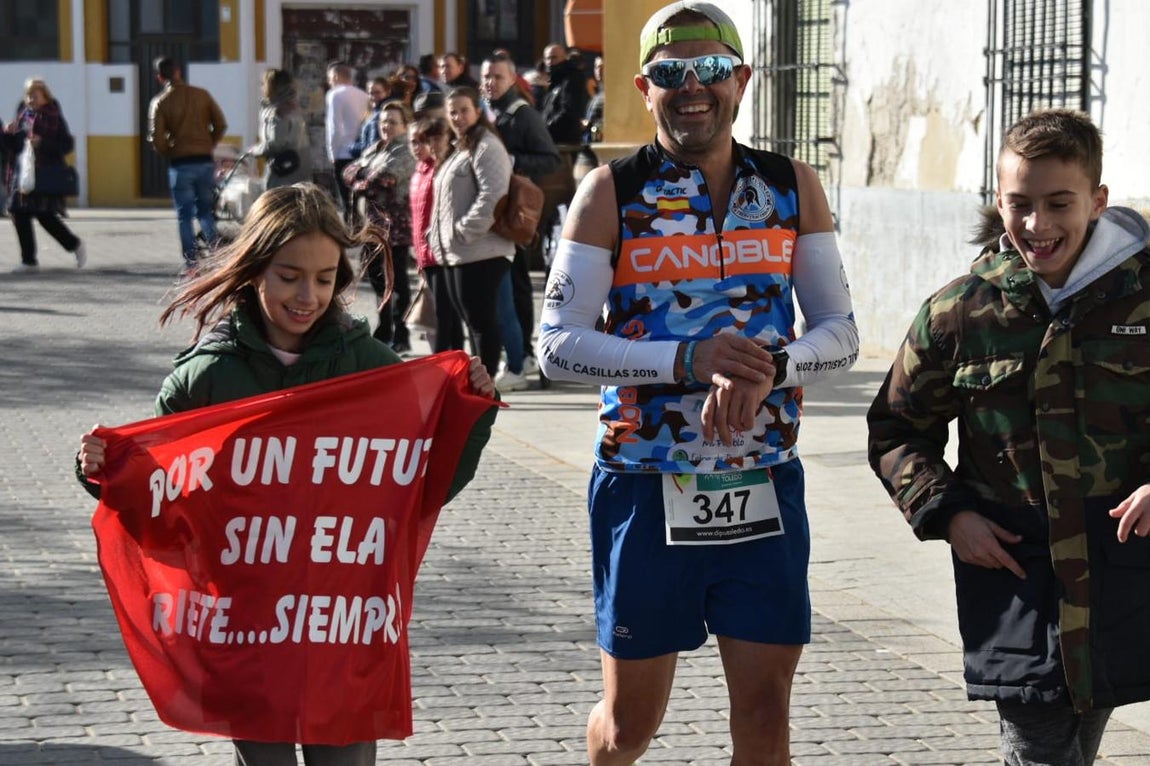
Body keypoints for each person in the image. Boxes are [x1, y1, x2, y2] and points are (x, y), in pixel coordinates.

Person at [76, 181, 497, 766]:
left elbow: (417, 489)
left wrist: (470, 417)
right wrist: (106, 473)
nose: (308, 295)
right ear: (255, 271)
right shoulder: (203, 381)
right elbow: (164, 510)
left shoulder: (371, 369)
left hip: (341, 629)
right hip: (249, 631)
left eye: (325, 278)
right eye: (289, 275)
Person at [536, 3, 859, 763]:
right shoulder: (609, 193)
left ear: (740, 81)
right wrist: (688, 361)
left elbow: (840, 334)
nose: (693, 88)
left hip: (762, 482)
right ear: (645, 87)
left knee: (765, 713)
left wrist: (770, 368)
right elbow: (555, 348)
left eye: (710, 69)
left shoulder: (791, 185)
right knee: (628, 729)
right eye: (673, 73)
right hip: (644, 485)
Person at [867, 108, 1150, 765]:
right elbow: (896, 428)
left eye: (1059, 203)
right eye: (1020, 204)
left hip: (1120, 570)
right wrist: (949, 513)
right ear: (999, 201)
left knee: (1072, 743)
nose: (1037, 225)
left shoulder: (1140, 300)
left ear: (1097, 200)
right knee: (1042, 749)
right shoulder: (961, 311)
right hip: (1013, 572)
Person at [481, 53, 561, 391]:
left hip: (515, 214)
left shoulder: (523, 115)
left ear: (512, 79)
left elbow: (550, 159)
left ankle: (524, 353)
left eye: (497, 77)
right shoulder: (484, 112)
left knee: (516, 285)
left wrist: (511, 159)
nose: (490, 82)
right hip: (493, 215)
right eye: (486, 76)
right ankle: (515, 351)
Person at [428, 87, 513, 378]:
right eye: (452, 111)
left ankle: (484, 385)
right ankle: (473, 382)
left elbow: (494, 195)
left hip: (480, 250)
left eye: (464, 110)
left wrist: (465, 231)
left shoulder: (487, 145)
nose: (458, 116)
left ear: (478, 111)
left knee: (481, 324)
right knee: (467, 322)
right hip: (456, 252)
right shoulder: (459, 147)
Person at [344, 102, 416, 352]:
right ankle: (384, 329)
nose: (387, 126)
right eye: (383, 121)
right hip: (371, 227)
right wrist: (363, 174)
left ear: (404, 126)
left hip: (394, 230)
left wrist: (363, 176)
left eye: (393, 122)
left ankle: (401, 333)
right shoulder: (376, 147)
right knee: (376, 280)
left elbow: (383, 180)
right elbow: (349, 172)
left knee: (396, 283)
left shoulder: (405, 151)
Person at [148, 57, 227, 274]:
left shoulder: (160, 102)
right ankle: (218, 256)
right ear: (178, 72)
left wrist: (170, 151)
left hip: (180, 164)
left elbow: (157, 138)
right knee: (205, 212)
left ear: (159, 77)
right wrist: (208, 143)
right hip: (203, 161)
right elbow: (220, 124)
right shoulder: (201, 95)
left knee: (184, 215)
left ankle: (192, 263)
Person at [2, 77, 85, 272]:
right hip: (23, 174)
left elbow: (66, 145)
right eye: (28, 95)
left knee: (44, 215)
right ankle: (29, 261)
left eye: (35, 95)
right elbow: (12, 148)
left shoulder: (54, 116)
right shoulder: (23, 115)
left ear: (45, 97)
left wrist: (43, 143)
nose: (31, 99)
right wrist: (7, 133)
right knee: (17, 211)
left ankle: (74, 244)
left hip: (44, 173)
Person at [408, 116, 463, 354]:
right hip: (425, 252)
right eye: (415, 142)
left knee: (446, 313)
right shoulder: (419, 172)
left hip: (441, 251)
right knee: (441, 312)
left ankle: (446, 360)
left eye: (425, 141)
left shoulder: (439, 168)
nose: (419, 147)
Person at [249, 69, 311, 191]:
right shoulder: (293, 107)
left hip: (283, 169)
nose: (261, 88)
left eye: (263, 84)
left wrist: (254, 150)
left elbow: (276, 143)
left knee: (275, 204)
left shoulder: (278, 111)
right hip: (300, 166)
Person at [324, 62, 370, 220]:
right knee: (358, 197)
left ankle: (350, 232)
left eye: (330, 79)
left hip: (342, 153)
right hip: (361, 152)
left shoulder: (335, 94)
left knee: (345, 200)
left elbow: (334, 126)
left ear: (336, 76)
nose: (329, 83)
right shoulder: (364, 95)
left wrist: (332, 153)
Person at [539, 43, 590, 147]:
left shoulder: (572, 78)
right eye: (547, 58)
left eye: (554, 57)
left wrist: (544, 129)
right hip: (552, 141)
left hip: (565, 144)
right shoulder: (555, 82)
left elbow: (568, 112)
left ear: (564, 58)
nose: (550, 62)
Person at [346, 76, 392, 161]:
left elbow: (371, 146)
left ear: (387, 93)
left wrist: (351, 148)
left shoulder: (380, 115)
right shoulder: (374, 113)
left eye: (377, 93)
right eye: (371, 93)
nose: (373, 97)